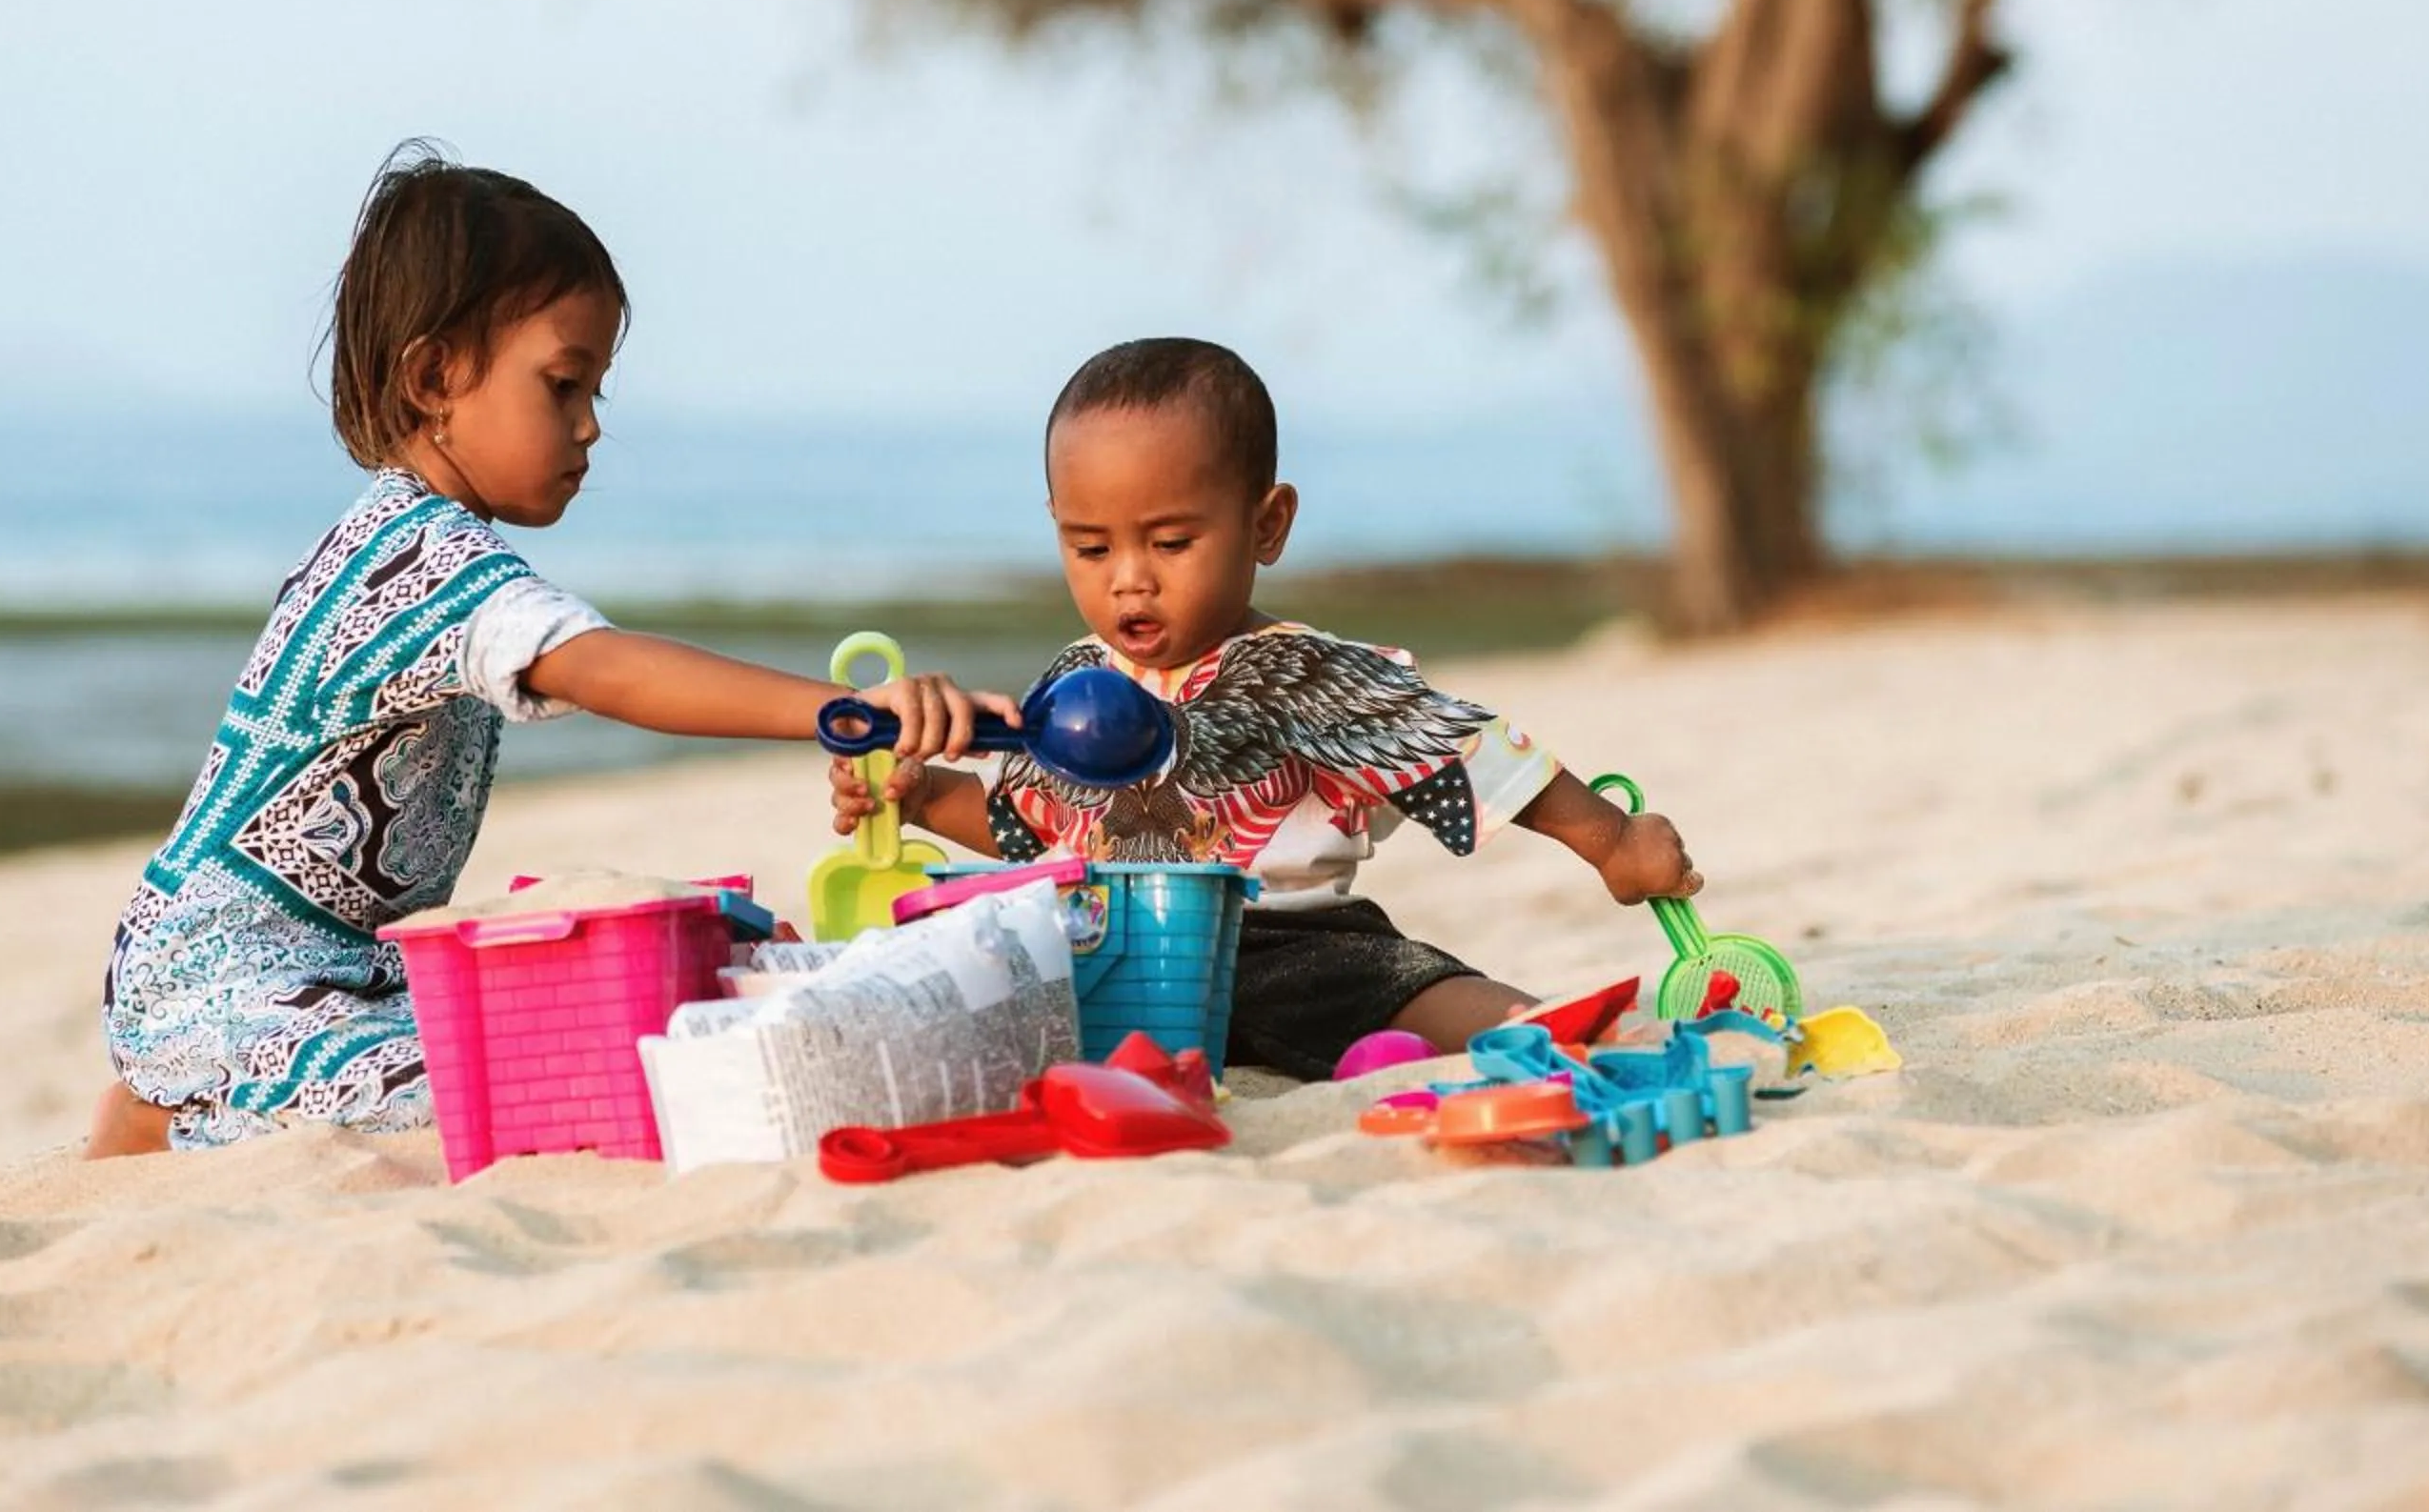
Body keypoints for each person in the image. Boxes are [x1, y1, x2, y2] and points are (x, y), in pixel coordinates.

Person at [90, 145, 1008, 1156]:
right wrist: (849, 716)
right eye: (565, 386)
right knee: (524, 1084)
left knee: (597, 1009)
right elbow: (608, 670)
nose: (589, 428)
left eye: (596, 393)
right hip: (229, 980)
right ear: (435, 378)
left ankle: (177, 1100)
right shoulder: (417, 557)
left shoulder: (431, 542)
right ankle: (168, 1112)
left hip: (350, 970)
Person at [829, 337, 1704, 1079]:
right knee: (999, 964)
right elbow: (1030, 827)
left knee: (1397, 982)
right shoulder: (1073, 685)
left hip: (1287, 943)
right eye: (1090, 548)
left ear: (1267, 526)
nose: (1129, 578)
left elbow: (1468, 753)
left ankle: (1546, 1032)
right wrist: (922, 796)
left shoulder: (1304, 673)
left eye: (1172, 542)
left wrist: (1612, 841)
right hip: (1110, 946)